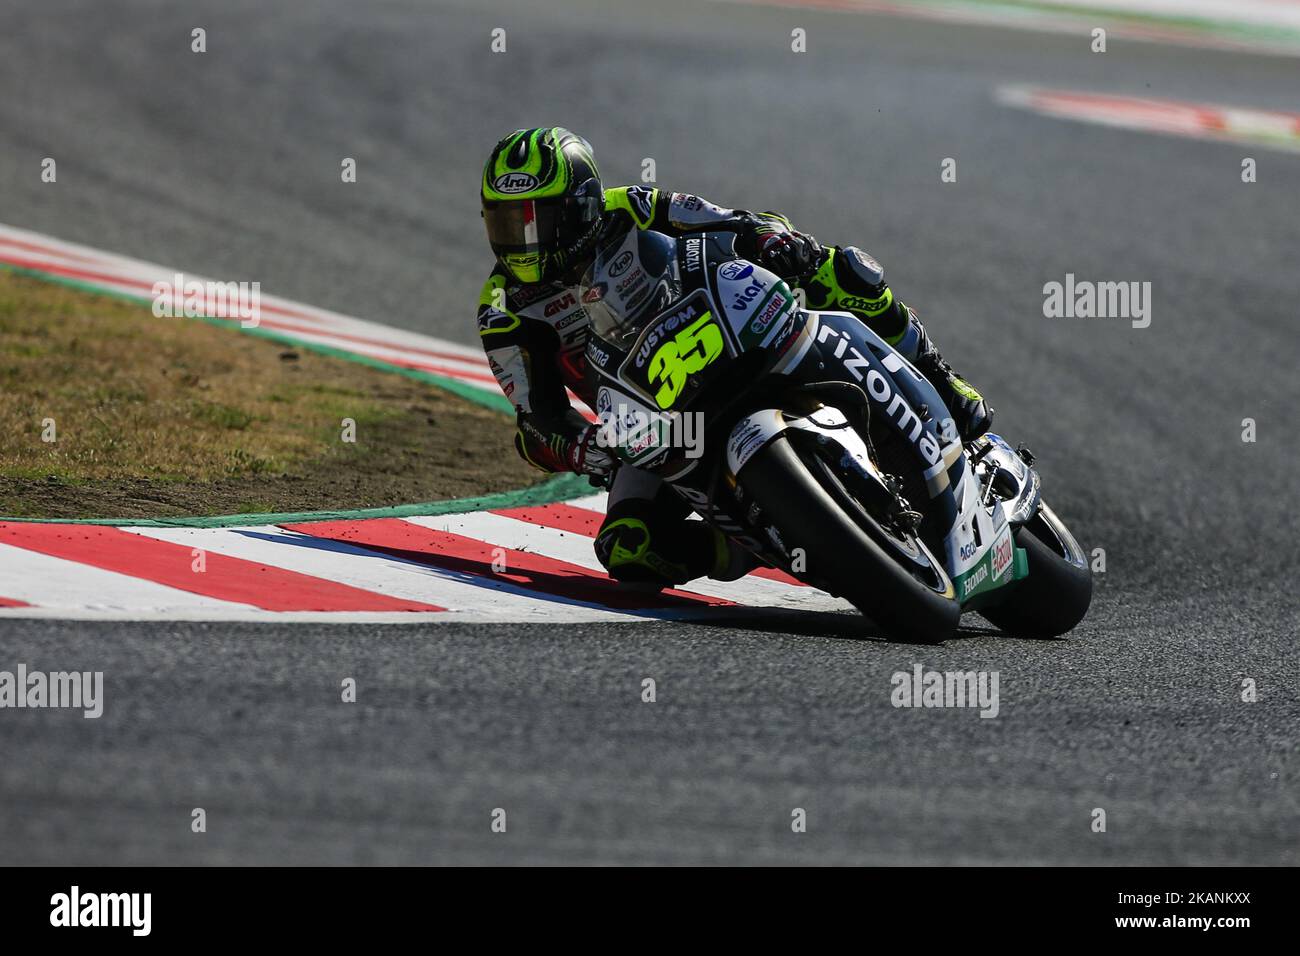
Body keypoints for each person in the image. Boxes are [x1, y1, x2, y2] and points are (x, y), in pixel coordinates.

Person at [478, 127, 991, 586]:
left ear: (582, 206)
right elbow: (537, 420)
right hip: (654, 424)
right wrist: (581, 447)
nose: (525, 242)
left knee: (842, 271)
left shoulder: (629, 206)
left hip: (727, 333)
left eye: (537, 221)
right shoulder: (502, 309)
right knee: (632, 548)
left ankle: (942, 380)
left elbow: (728, 221)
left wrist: (770, 239)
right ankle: (798, 539)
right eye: (506, 224)